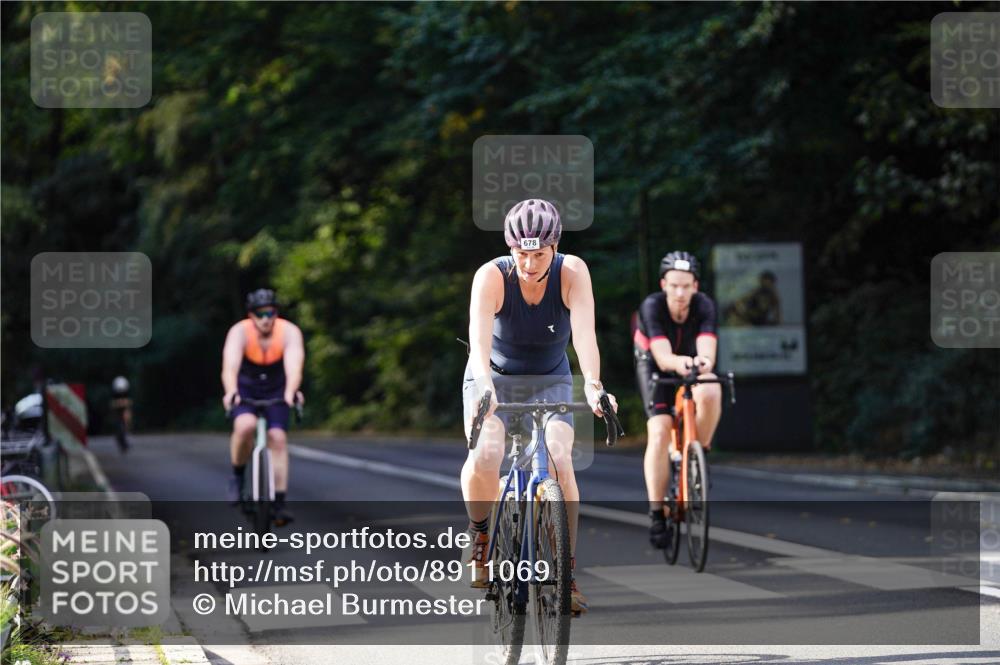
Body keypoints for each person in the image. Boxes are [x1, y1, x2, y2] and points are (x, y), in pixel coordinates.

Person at [461, 198, 618, 616]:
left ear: (555, 247)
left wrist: (595, 387)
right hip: (494, 376)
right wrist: (485, 386)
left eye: (539, 254)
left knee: (560, 459)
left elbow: (585, 335)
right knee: (487, 455)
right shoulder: (491, 276)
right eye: (521, 254)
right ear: (510, 249)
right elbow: (477, 343)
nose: (530, 264)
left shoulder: (572, 272)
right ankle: (480, 538)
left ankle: (564, 573)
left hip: (551, 380)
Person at [633, 251, 722, 549]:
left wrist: (703, 364)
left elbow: (708, 352)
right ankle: (657, 512)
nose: (680, 293)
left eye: (686, 286)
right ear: (664, 285)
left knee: (710, 388)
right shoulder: (652, 306)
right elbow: (662, 355)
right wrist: (682, 362)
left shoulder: (705, 305)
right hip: (655, 363)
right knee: (659, 431)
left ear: (696, 286)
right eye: (674, 286)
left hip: (691, 361)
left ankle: (698, 453)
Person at [221, 288, 305, 526]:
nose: (266, 319)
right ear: (251, 315)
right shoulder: (239, 333)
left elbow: (294, 366)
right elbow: (230, 366)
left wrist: (290, 392)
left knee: (277, 438)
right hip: (246, 387)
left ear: (276, 313)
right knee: (245, 426)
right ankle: (237, 476)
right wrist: (230, 391)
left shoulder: (289, 332)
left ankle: (278, 503)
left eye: (270, 313)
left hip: (277, 388)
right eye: (260, 314)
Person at [110, 375, 133, 453]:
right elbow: (112, 404)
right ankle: (120, 438)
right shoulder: (114, 394)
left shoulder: (127, 392)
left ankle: (127, 428)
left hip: (124, 410)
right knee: (116, 423)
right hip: (117, 412)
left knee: (127, 415)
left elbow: (129, 403)